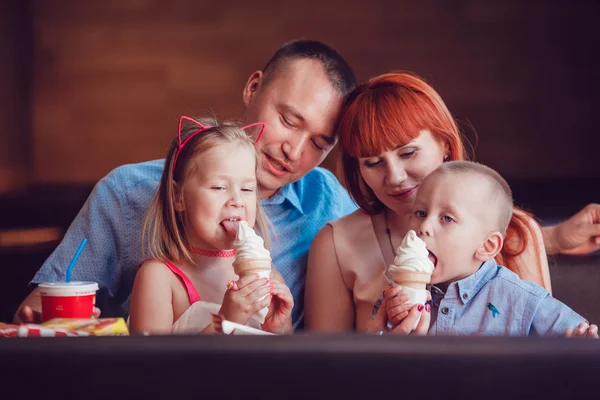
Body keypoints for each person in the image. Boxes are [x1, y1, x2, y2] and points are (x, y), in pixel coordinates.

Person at [15, 40, 359, 330]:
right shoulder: (126, 191)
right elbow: (45, 305)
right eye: (287, 120)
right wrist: (39, 319)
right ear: (253, 87)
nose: (294, 151)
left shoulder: (328, 204)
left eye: (319, 143)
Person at [305, 72, 600, 332]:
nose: (394, 176)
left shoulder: (515, 233)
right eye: (372, 163)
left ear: (445, 144)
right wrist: (380, 344)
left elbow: (540, 350)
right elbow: (324, 370)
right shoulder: (336, 243)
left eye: (408, 153)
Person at [371, 160, 598, 338]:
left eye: (447, 218)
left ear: (486, 246)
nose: (424, 227)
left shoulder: (521, 299)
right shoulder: (396, 294)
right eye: (420, 213)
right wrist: (389, 327)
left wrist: (580, 342)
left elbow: (578, 344)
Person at [128, 116, 293, 334]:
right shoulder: (158, 278)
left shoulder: (268, 276)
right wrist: (225, 321)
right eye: (218, 187)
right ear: (178, 197)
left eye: (246, 189)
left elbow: (285, 364)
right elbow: (151, 366)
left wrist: (277, 326)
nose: (237, 200)